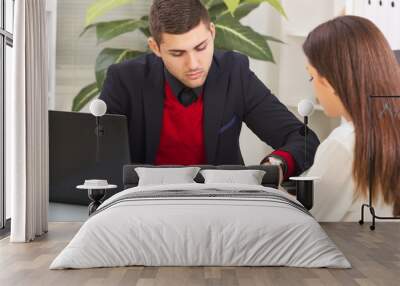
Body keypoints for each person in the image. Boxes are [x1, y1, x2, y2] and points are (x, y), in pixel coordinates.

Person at [99, 0, 319, 181]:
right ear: (155, 48)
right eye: (177, 53)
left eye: (201, 47)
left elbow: (304, 139)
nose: (193, 64)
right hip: (143, 207)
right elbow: (97, 153)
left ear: (212, 33)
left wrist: (276, 165)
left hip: (220, 206)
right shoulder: (125, 80)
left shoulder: (234, 74)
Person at [302, 15, 400, 221]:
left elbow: (307, 224)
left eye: (311, 76)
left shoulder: (345, 144)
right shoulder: (388, 130)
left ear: (328, 82)